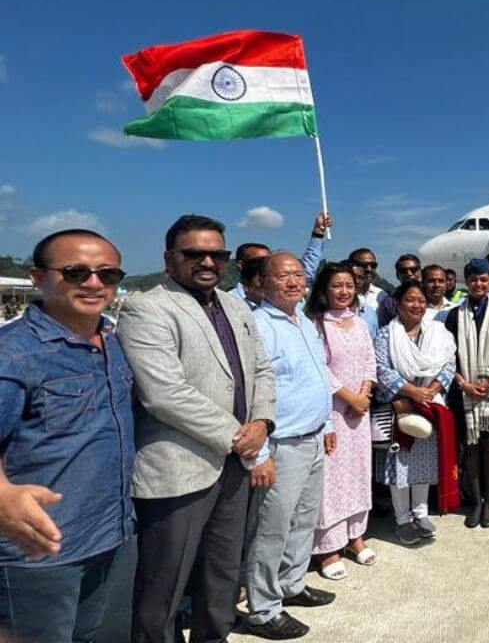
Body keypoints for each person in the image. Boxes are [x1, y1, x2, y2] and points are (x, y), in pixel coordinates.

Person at [118, 215, 276, 643]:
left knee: (222, 575)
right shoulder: (146, 307)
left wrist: (261, 421)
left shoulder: (236, 305)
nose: (208, 261)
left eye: (217, 254)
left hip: (234, 465)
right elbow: (164, 393)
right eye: (194, 253)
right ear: (169, 258)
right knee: (163, 586)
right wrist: (240, 436)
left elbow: (261, 368)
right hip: (180, 467)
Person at [0, 230, 134, 641]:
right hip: (40, 550)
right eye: (75, 273)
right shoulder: (14, 355)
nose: (94, 284)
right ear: (38, 277)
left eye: (107, 274)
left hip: (111, 533)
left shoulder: (113, 341)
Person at [244, 252, 337, 639]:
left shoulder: (304, 322)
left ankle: (291, 583)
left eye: (299, 274)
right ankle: (263, 609)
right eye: (283, 276)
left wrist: (327, 421)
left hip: (313, 436)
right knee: (271, 528)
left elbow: (317, 377)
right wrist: (259, 453)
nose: (294, 281)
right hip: (281, 443)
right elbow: (250, 393)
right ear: (263, 281)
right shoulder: (258, 325)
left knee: (303, 519)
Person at [305, 263, 377, 580]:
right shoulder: (317, 324)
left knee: (358, 473)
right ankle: (328, 547)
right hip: (332, 411)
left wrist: (364, 395)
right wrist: (350, 397)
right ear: (324, 289)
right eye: (337, 285)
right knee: (331, 479)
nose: (344, 291)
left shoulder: (359, 323)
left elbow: (370, 361)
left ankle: (355, 536)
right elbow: (320, 370)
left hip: (359, 414)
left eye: (349, 285)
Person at [374, 281, 456, 546]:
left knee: (425, 463)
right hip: (401, 406)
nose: (417, 305)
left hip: (430, 405)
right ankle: (402, 519)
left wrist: (430, 391)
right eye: (410, 300)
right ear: (398, 303)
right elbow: (382, 370)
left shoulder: (438, 332)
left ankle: (420, 513)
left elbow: (448, 363)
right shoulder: (387, 335)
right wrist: (412, 392)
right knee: (400, 466)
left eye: (421, 300)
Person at [444, 259, 489, 529]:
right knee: (471, 446)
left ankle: (488, 501)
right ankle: (475, 501)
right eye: (473, 279)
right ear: (466, 280)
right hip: (464, 390)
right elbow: (447, 357)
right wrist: (464, 384)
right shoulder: (454, 315)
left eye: (483, 279)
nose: (478, 284)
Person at [228, 212, 331, 303]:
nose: (265, 266)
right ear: (241, 265)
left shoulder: (280, 294)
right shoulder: (229, 302)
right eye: (259, 262)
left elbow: (307, 269)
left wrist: (317, 233)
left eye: (269, 261)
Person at [376, 254, 422, 328]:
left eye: (413, 270)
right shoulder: (388, 303)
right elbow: (383, 329)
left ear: (420, 272)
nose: (409, 273)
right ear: (397, 275)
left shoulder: (429, 296)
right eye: (404, 271)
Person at [347, 260, 380, 338]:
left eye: (361, 278)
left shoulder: (370, 314)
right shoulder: (329, 312)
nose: (357, 281)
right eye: (353, 277)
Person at [346, 248, 385, 315]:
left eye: (373, 265)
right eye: (363, 265)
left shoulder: (382, 296)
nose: (369, 269)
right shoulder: (342, 294)